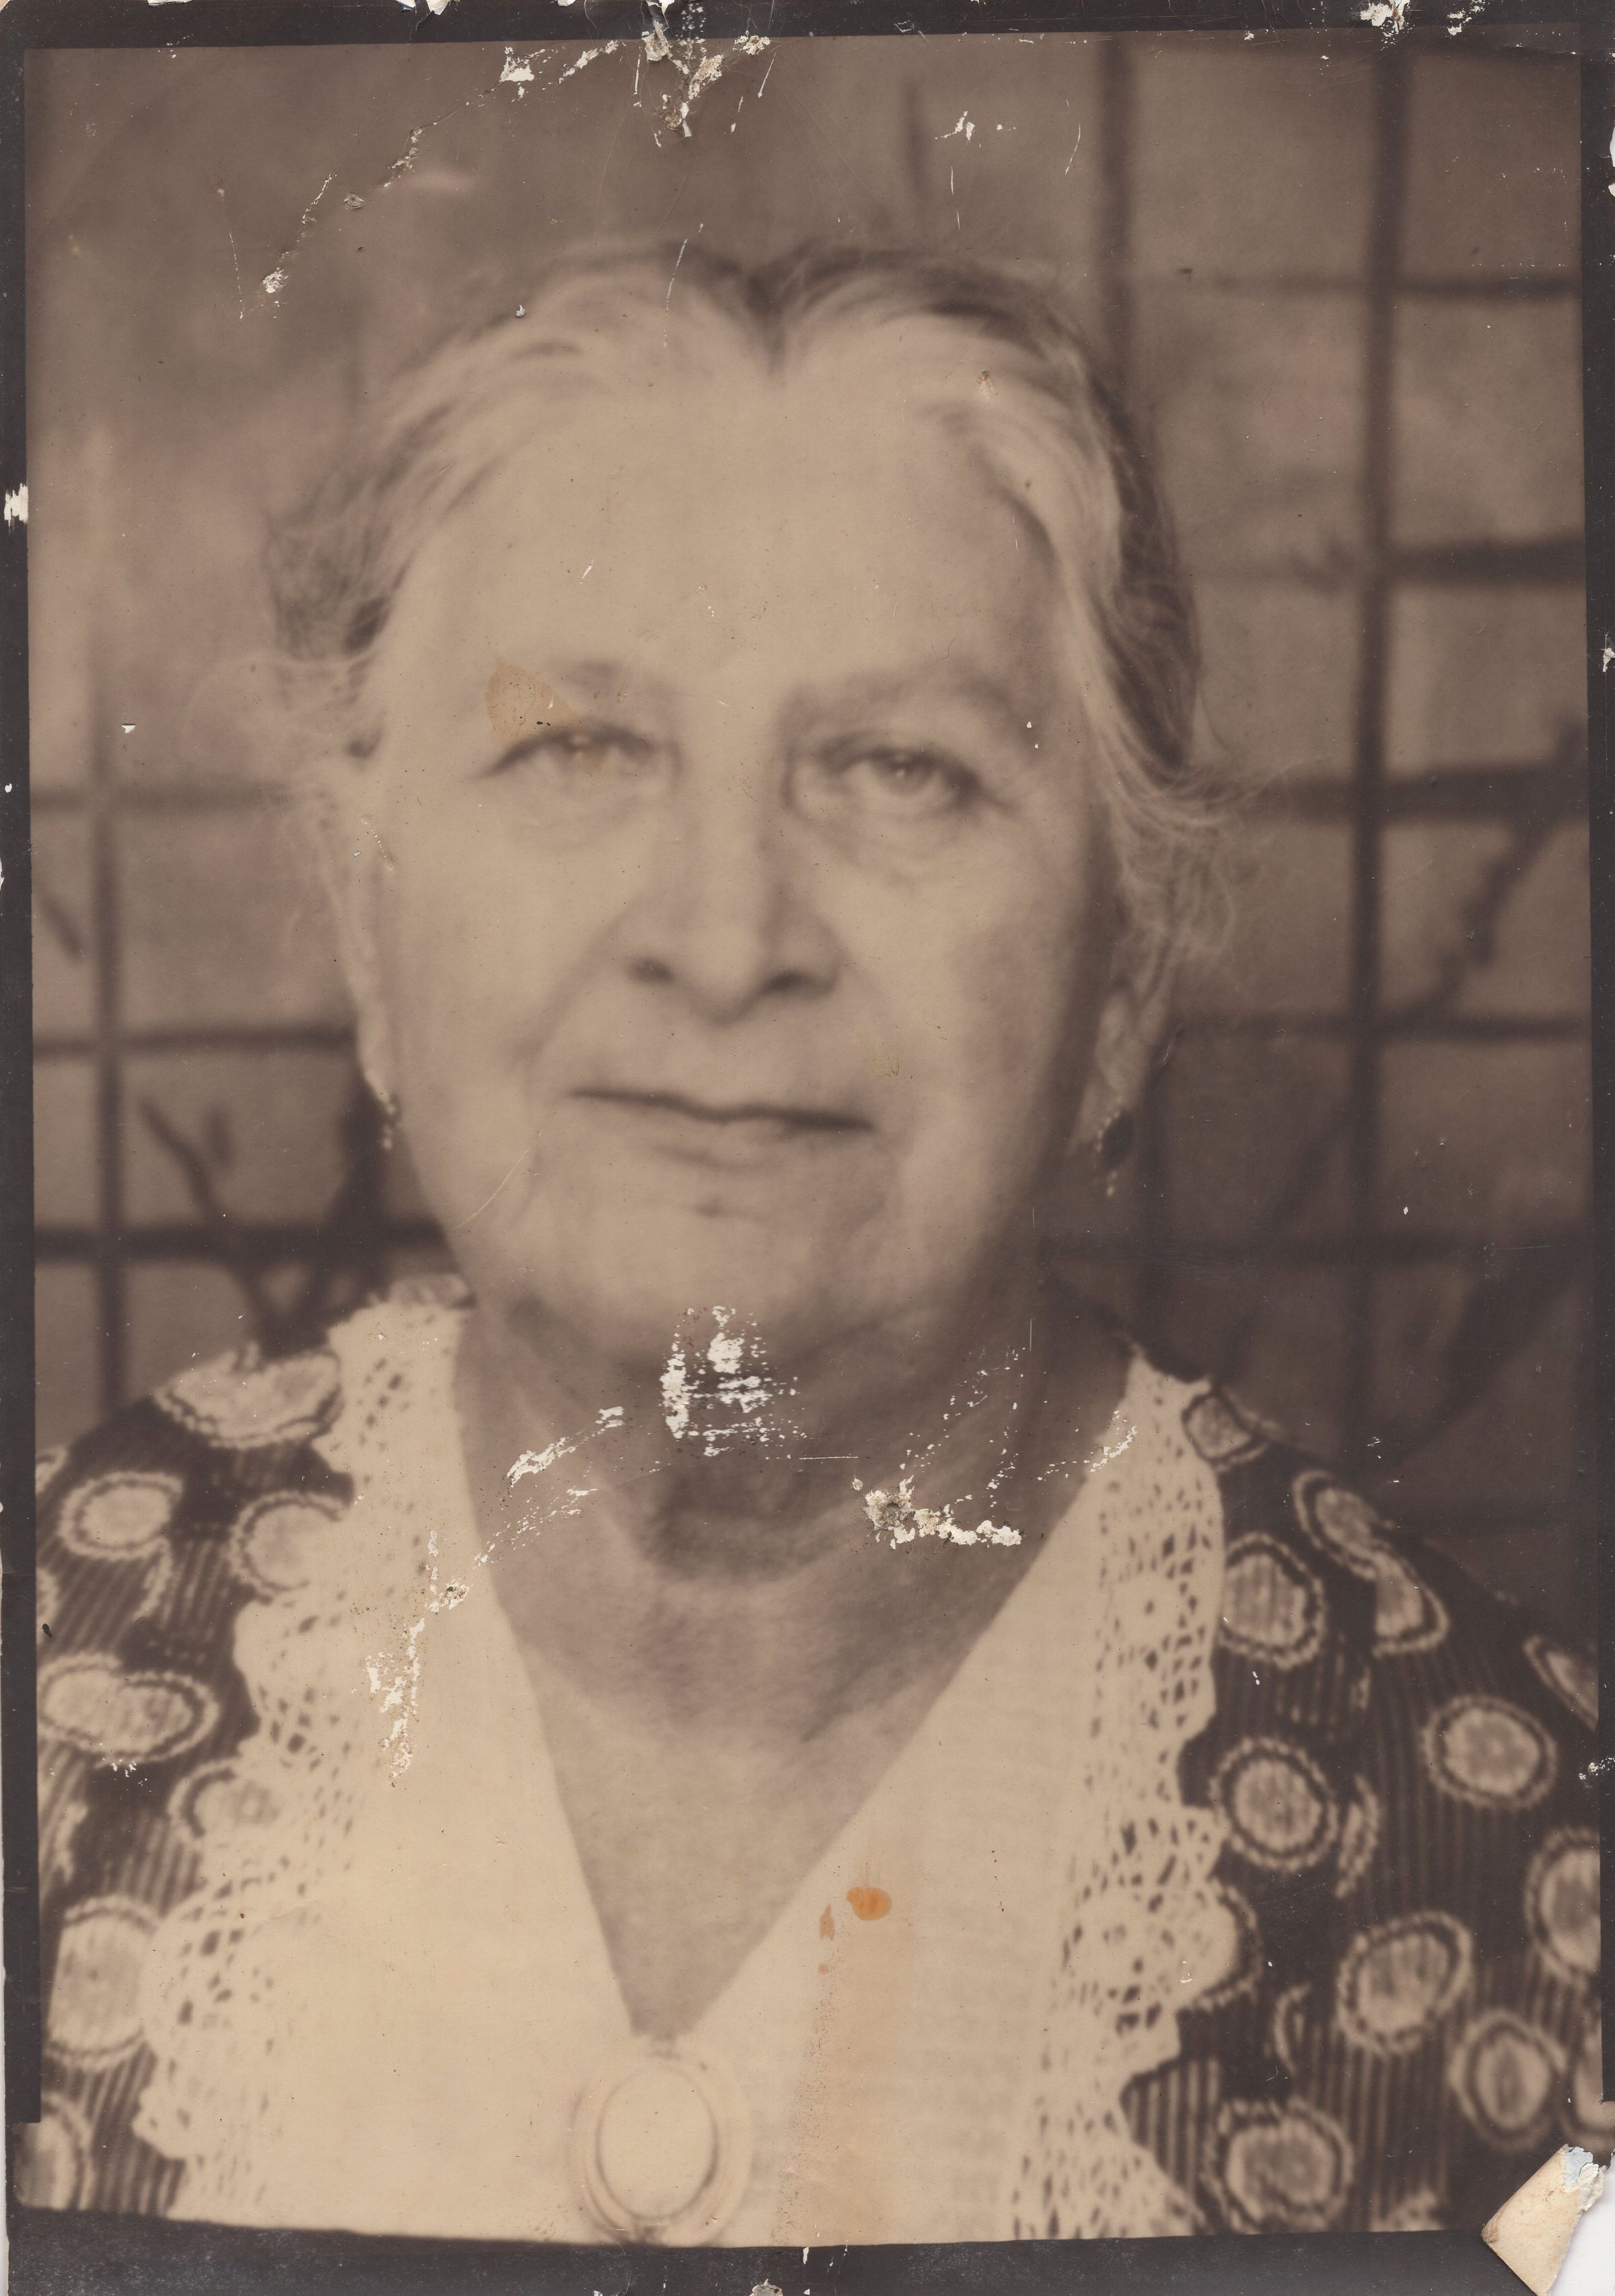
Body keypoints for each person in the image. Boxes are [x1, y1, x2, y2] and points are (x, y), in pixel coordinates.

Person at [22, 241, 1607, 2246]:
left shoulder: (1526, 1873)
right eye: (576, 747)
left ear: (1125, 971)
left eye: (902, 772)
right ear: (365, 914)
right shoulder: (55, 1660)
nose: (724, 937)